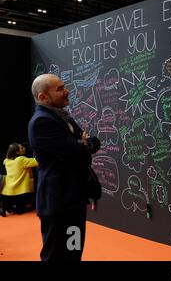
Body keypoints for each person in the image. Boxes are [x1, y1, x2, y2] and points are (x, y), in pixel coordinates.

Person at [28, 73, 100, 261]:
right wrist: (82, 144)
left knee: (73, 252)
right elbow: (78, 150)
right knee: (56, 256)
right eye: (59, 89)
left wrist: (83, 144)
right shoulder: (41, 122)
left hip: (73, 200)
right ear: (43, 97)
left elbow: (91, 142)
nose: (67, 91)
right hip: (58, 204)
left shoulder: (62, 117)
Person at [0, 143, 38, 216]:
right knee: (22, 209)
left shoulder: (6, 161)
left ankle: (9, 208)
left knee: (18, 207)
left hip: (8, 190)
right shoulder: (21, 159)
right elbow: (36, 161)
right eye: (21, 148)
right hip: (21, 190)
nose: (24, 148)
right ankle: (16, 208)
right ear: (17, 152)